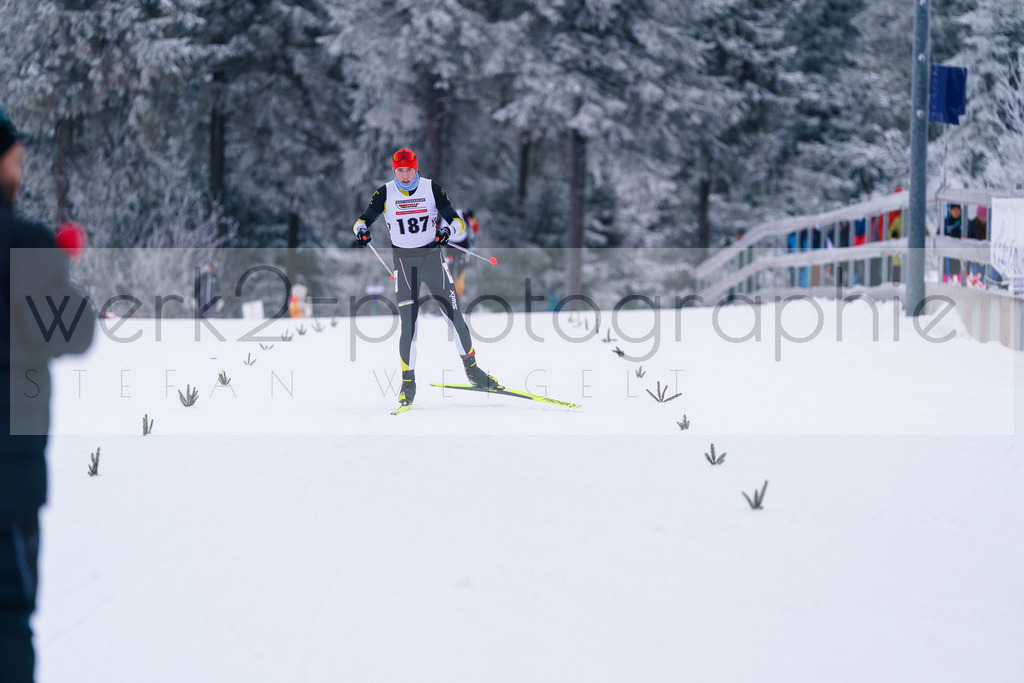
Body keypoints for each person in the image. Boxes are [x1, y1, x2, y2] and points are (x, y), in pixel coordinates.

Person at [1, 108, 96, 682]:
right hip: (7, 481)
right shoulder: (24, 243)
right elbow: (75, 333)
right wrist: (57, 268)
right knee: (7, 620)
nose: (21, 166)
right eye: (14, 157)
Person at [351, 148, 500, 406]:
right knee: (409, 324)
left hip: (432, 260)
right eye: (400, 170)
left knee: (455, 316)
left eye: (409, 169)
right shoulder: (385, 192)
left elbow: (457, 221)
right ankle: (408, 383)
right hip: (404, 264)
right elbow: (361, 221)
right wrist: (361, 231)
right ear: (394, 170)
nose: (405, 175)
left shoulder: (432, 189)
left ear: (415, 168)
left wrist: (446, 231)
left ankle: (472, 370)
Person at [445, 207, 478, 297]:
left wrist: (472, 218)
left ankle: (458, 298)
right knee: (449, 271)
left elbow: (475, 229)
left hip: (463, 245)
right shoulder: (449, 215)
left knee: (460, 272)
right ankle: (449, 297)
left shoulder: (465, 216)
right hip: (451, 245)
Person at [943, 204, 964, 283]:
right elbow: (939, 234)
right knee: (946, 273)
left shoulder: (964, 222)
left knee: (960, 272)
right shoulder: (946, 222)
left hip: (959, 253)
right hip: (947, 254)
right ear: (950, 211)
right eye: (953, 209)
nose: (955, 212)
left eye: (957, 209)